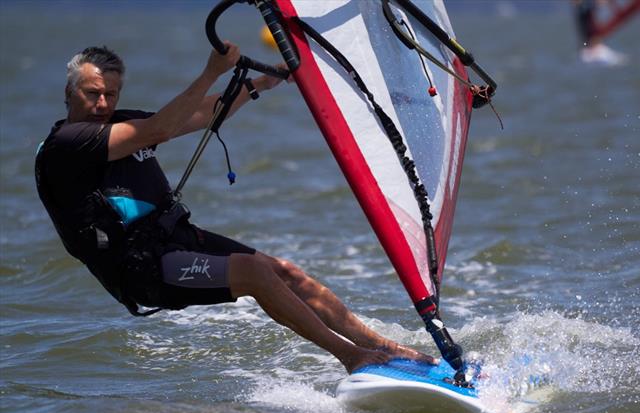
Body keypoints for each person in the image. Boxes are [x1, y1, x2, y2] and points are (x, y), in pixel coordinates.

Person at [35, 43, 434, 373]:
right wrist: (212, 71)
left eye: (111, 94)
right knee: (254, 273)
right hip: (142, 269)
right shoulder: (68, 144)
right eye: (92, 93)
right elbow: (159, 129)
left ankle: (383, 346)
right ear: (69, 93)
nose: (103, 102)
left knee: (285, 271)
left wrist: (260, 83)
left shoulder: (117, 125)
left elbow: (195, 115)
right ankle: (352, 357)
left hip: (175, 241)